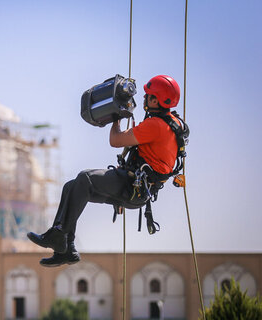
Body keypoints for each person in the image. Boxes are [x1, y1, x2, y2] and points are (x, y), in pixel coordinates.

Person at [27, 75, 184, 267]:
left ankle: (59, 236)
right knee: (72, 187)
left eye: (148, 95)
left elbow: (115, 140)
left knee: (86, 178)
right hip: (136, 189)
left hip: (131, 187)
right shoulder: (173, 123)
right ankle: (66, 250)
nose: (144, 99)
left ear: (155, 100)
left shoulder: (155, 126)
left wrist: (116, 117)